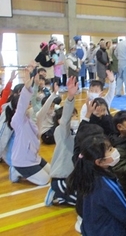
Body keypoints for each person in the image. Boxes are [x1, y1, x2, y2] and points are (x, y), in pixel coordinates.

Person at [67, 135, 126, 236]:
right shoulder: (106, 186)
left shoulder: (85, 175)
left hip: (91, 229)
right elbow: (124, 211)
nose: (114, 150)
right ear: (99, 162)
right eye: (110, 149)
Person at [9, 69, 50, 185]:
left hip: (33, 157)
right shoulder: (17, 119)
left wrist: (36, 85)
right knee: (44, 180)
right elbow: (22, 104)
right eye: (28, 103)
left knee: (51, 173)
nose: (30, 105)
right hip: (22, 161)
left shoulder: (29, 119)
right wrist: (26, 89)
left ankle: (25, 171)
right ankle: (17, 171)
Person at [44, 77, 78, 206]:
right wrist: (70, 97)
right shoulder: (61, 131)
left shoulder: (77, 132)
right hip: (61, 178)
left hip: (72, 177)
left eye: (75, 115)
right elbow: (65, 121)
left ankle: (62, 198)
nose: (74, 118)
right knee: (83, 203)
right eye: (71, 116)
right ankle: (55, 193)